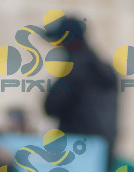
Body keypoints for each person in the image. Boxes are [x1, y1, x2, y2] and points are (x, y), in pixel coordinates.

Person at [41, 14, 119, 160]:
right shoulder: (105, 70)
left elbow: (50, 106)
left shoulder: (76, 69)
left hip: (78, 150)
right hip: (104, 150)